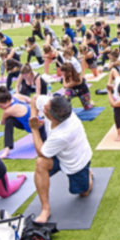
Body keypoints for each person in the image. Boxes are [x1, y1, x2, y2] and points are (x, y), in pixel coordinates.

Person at [30, 95, 94, 224]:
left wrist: (34, 128)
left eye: (45, 110)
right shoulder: (54, 105)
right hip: (58, 153)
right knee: (40, 164)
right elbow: (34, 98)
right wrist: (34, 117)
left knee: (83, 193)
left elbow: (41, 152)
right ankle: (45, 209)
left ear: (52, 117)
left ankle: (88, 174)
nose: (43, 107)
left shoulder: (65, 132)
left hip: (75, 160)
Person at [0, 86, 33, 157]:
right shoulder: (16, 96)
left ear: (7, 101)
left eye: (1, 106)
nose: (0, 108)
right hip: (30, 124)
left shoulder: (7, 111)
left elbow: (2, 123)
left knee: (8, 120)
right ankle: (6, 150)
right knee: (10, 120)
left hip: (38, 129)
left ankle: (6, 151)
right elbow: (30, 100)